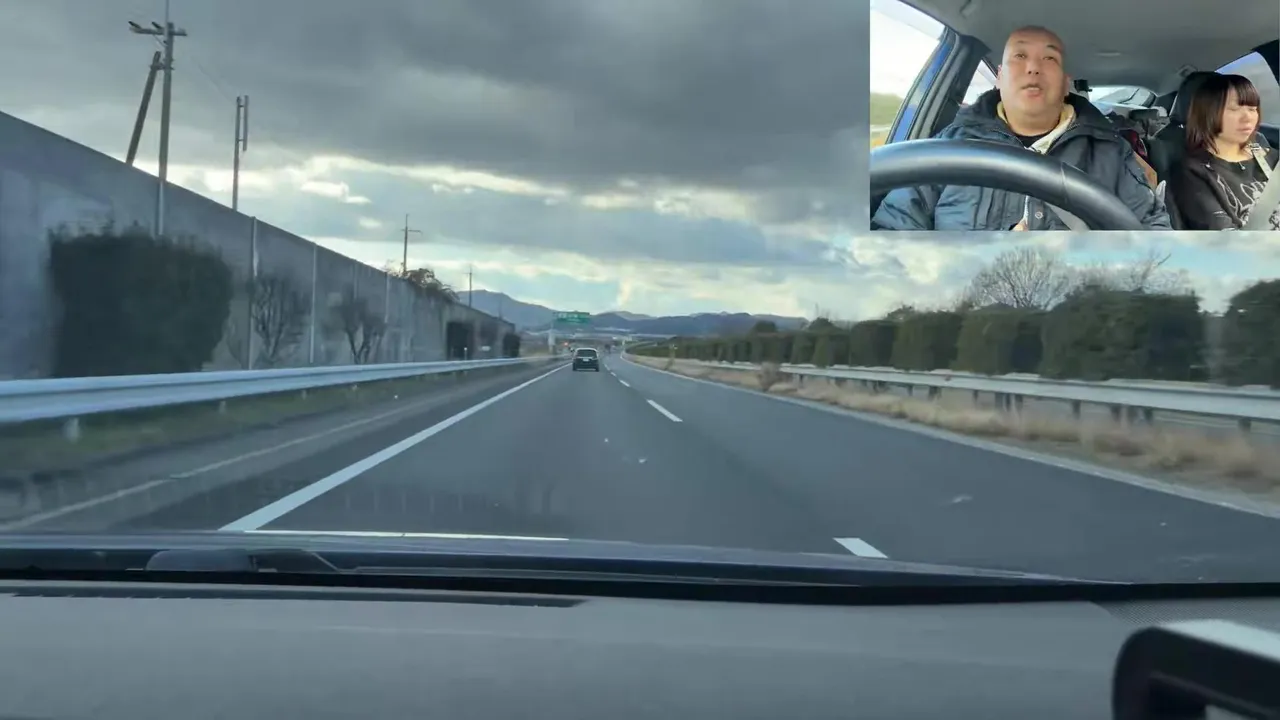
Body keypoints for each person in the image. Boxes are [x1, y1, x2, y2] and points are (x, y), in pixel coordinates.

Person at [872, 26, 1171, 231]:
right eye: (1020, 56)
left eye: (1049, 58)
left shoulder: (1112, 153)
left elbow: (1155, 237)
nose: (1033, 67)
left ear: (1065, 84)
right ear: (999, 77)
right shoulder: (947, 149)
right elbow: (890, 241)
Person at [1171, 73, 1279, 230]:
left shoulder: (1272, 157)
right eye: (1234, 109)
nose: (1248, 117)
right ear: (1207, 113)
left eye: (1252, 109)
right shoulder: (1192, 173)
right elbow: (1224, 236)